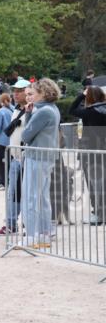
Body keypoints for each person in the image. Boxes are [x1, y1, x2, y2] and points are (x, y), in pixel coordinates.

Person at [19, 78, 62, 248]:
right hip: (46, 157)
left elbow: (25, 135)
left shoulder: (43, 111)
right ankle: (44, 234)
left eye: (33, 93)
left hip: (37, 157)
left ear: (43, 93)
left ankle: (30, 236)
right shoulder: (53, 109)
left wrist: (29, 114)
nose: (30, 97)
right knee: (42, 197)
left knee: (30, 197)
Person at [0, 79, 32, 236]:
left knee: (24, 193)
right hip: (16, 156)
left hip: (25, 156)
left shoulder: (32, 110)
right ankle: (10, 223)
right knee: (13, 192)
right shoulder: (15, 110)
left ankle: (23, 224)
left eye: (20, 91)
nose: (16, 94)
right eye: (15, 91)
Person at [70, 85, 106, 224]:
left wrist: (81, 95)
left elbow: (72, 109)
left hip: (90, 151)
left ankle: (98, 213)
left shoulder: (89, 111)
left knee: (93, 184)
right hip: (102, 149)